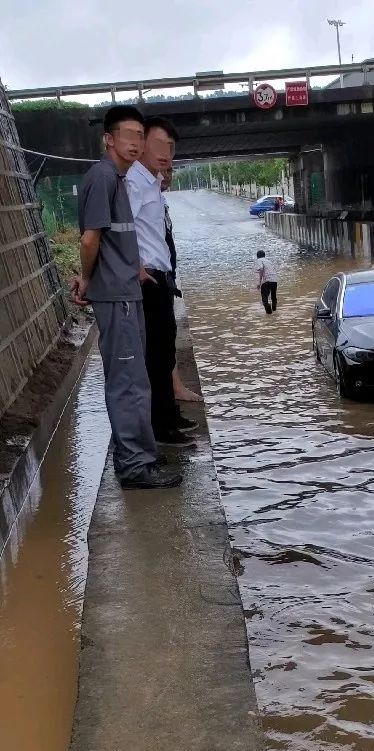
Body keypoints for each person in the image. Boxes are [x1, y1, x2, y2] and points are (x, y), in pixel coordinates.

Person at [72, 106, 181, 490]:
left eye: (140, 136)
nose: (134, 143)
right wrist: (86, 279)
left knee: (137, 380)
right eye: (128, 135)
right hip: (115, 296)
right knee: (128, 384)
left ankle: (141, 456)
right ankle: (136, 467)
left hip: (126, 292)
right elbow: (90, 239)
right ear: (109, 139)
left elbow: (119, 238)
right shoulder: (103, 177)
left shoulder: (117, 180)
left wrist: (133, 270)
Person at [126, 117, 197, 449]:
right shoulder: (133, 183)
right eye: (159, 144)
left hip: (160, 278)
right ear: (141, 145)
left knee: (165, 350)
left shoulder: (150, 183)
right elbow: (118, 228)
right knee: (155, 355)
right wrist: (137, 267)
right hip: (148, 280)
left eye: (171, 147)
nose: (166, 154)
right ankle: (161, 427)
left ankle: (169, 416)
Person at [161, 165, 203, 405]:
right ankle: (172, 393)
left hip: (164, 277)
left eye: (170, 170)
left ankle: (175, 387)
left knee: (167, 337)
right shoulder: (140, 196)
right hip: (153, 278)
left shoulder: (158, 200)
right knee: (161, 341)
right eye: (161, 169)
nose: (167, 175)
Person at [256, 250, 278, 314]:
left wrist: (259, 283)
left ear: (257, 256)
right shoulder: (269, 261)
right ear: (264, 255)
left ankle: (269, 314)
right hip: (274, 280)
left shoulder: (259, 260)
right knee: (273, 297)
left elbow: (260, 269)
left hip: (267, 281)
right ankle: (275, 311)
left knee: (264, 299)